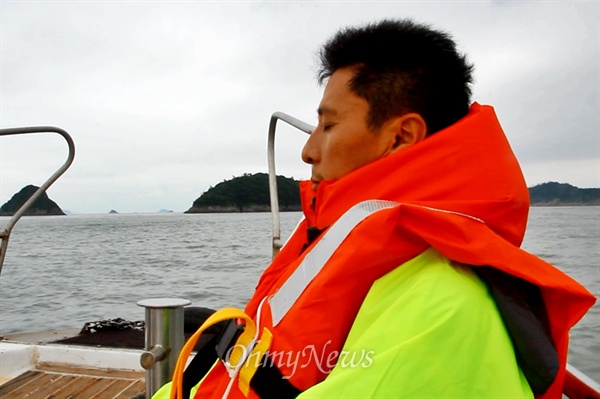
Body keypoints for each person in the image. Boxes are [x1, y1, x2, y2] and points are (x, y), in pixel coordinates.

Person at [158, 19, 596, 399]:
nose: (309, 151)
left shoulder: (444, 308)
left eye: (328, 125)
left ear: (402, 136)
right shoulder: (376, 256)